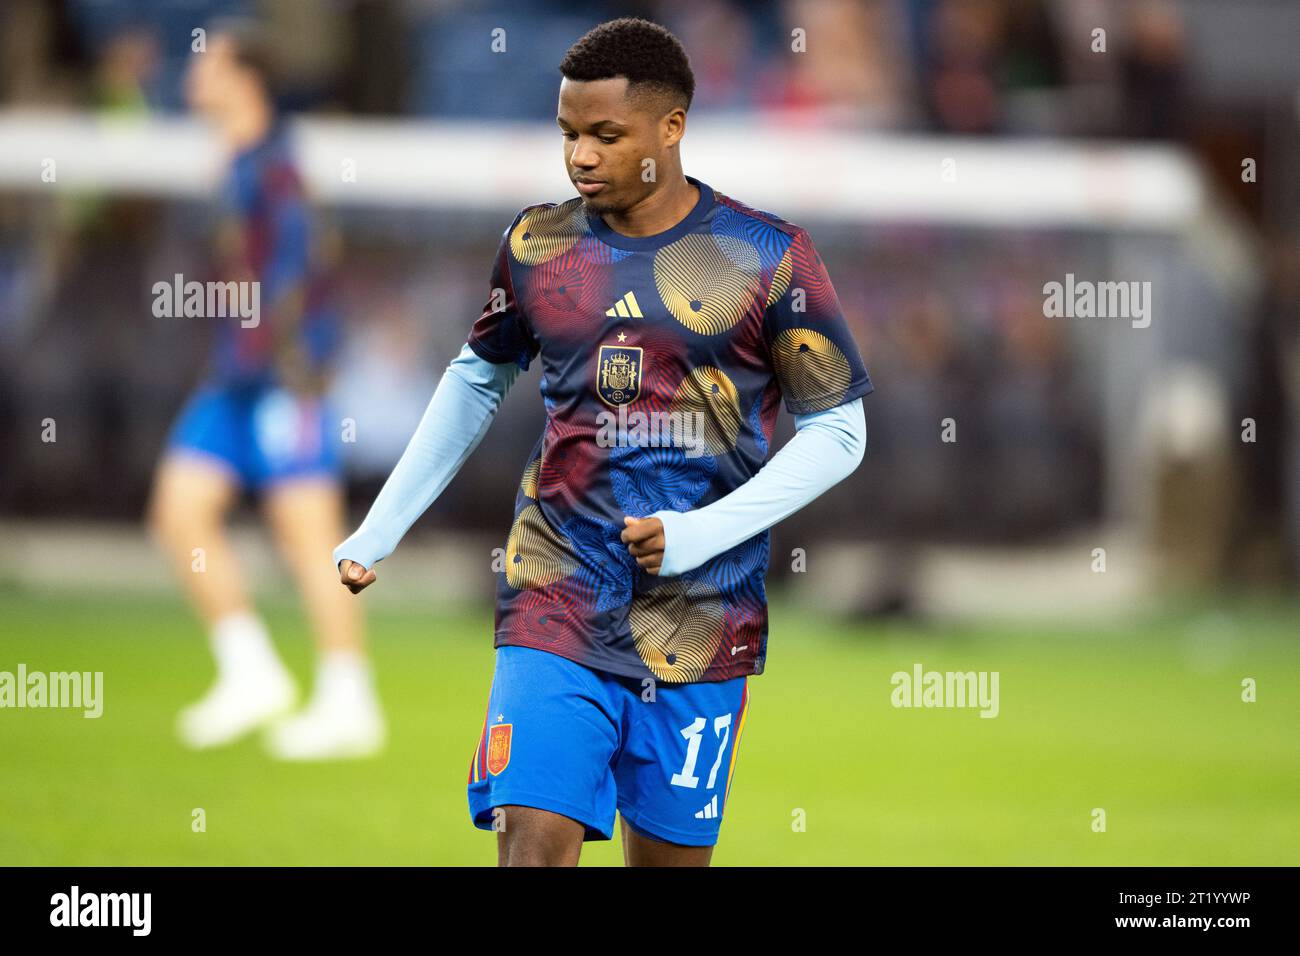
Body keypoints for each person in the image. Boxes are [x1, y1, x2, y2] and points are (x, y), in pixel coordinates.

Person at [335, 18, 871, 863]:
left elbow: (839, 430)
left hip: (699, 618)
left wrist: (701, 532)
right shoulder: (539, 245)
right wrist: (381, 526)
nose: (580, 155)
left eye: (604, 135)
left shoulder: (766, 257)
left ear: (672, 128)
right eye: (568, 134)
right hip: (557, 591)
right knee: (532, 843)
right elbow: (477, 377)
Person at [148, 20, 384, 760]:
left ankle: (351, 698)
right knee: (179, 509)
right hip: (236, 376)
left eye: (207, 58)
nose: (193, 71)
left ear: (243, 76)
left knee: (309, 539)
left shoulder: (276, 168)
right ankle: (250, 671)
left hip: (281, 378)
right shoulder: (238, 162)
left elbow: (298, 276)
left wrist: (294, 366)